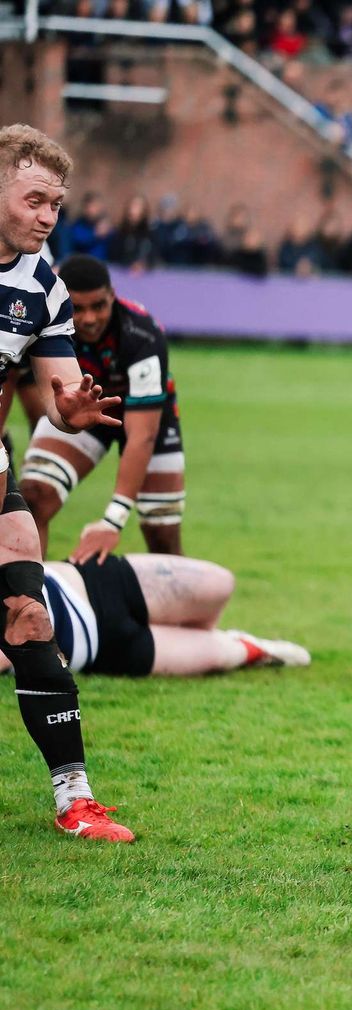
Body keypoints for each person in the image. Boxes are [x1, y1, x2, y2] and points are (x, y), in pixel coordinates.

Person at [0, 124, 134, 841]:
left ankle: (74, 799)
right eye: (33, 199)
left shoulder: (42, 281)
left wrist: (72, 405)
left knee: (31, 616)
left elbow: (58, 384)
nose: (47, 216)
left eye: (56, 203)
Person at [19, 254, 186, 562]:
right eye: (78, 308)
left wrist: (113, 520)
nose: (89, 318)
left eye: (98, 305)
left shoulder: (142, 333)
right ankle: (33, 603)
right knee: (34, 496)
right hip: (82, 409)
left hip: (148, 419)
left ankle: (186, 605)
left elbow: (141, 437)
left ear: (113, 296)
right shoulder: (43, 319)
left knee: (162, 533)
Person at [1, 554, 308, 677]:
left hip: (86, 584)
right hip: (99, 652)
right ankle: (249, 647)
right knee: (221, 655)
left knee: (220, 583)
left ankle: (216, 634)